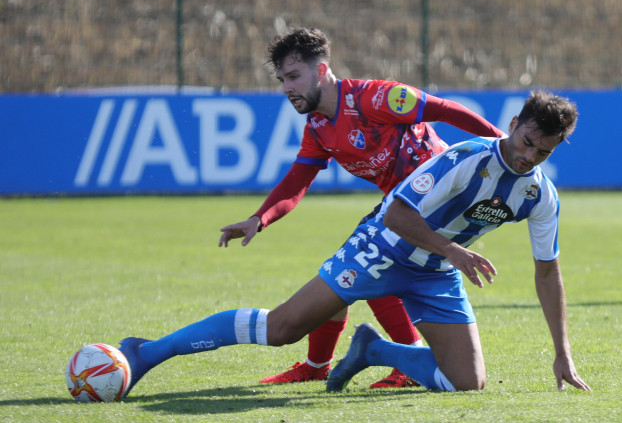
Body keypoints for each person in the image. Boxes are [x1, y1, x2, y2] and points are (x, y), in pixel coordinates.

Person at [118, 90, 590, 395]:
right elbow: (398, 212)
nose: (529, 156)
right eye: (527, 141)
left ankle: (372, 350)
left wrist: (562, 351)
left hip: (435, 271)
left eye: (542, 152)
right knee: (283, 328)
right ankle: (146, 352)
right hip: (383, 249)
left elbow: (548, 273)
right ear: (512, 123)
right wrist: (452, 250)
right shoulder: (465, 158)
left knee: (466, 382)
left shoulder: (539, 195)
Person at [217, 27, 505, 388]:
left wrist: (502, 146)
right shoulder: (319, 127)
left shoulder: (376, 98)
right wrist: (259, 219)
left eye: (293, 76)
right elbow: (296, 181)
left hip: (438, 200)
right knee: (340, 273)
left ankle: (403, 362)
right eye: (282, 79)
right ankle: (317, 365)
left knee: (366, 269)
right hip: (404, 206)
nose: (286, 87)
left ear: (321, 71)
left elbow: (446, 110)